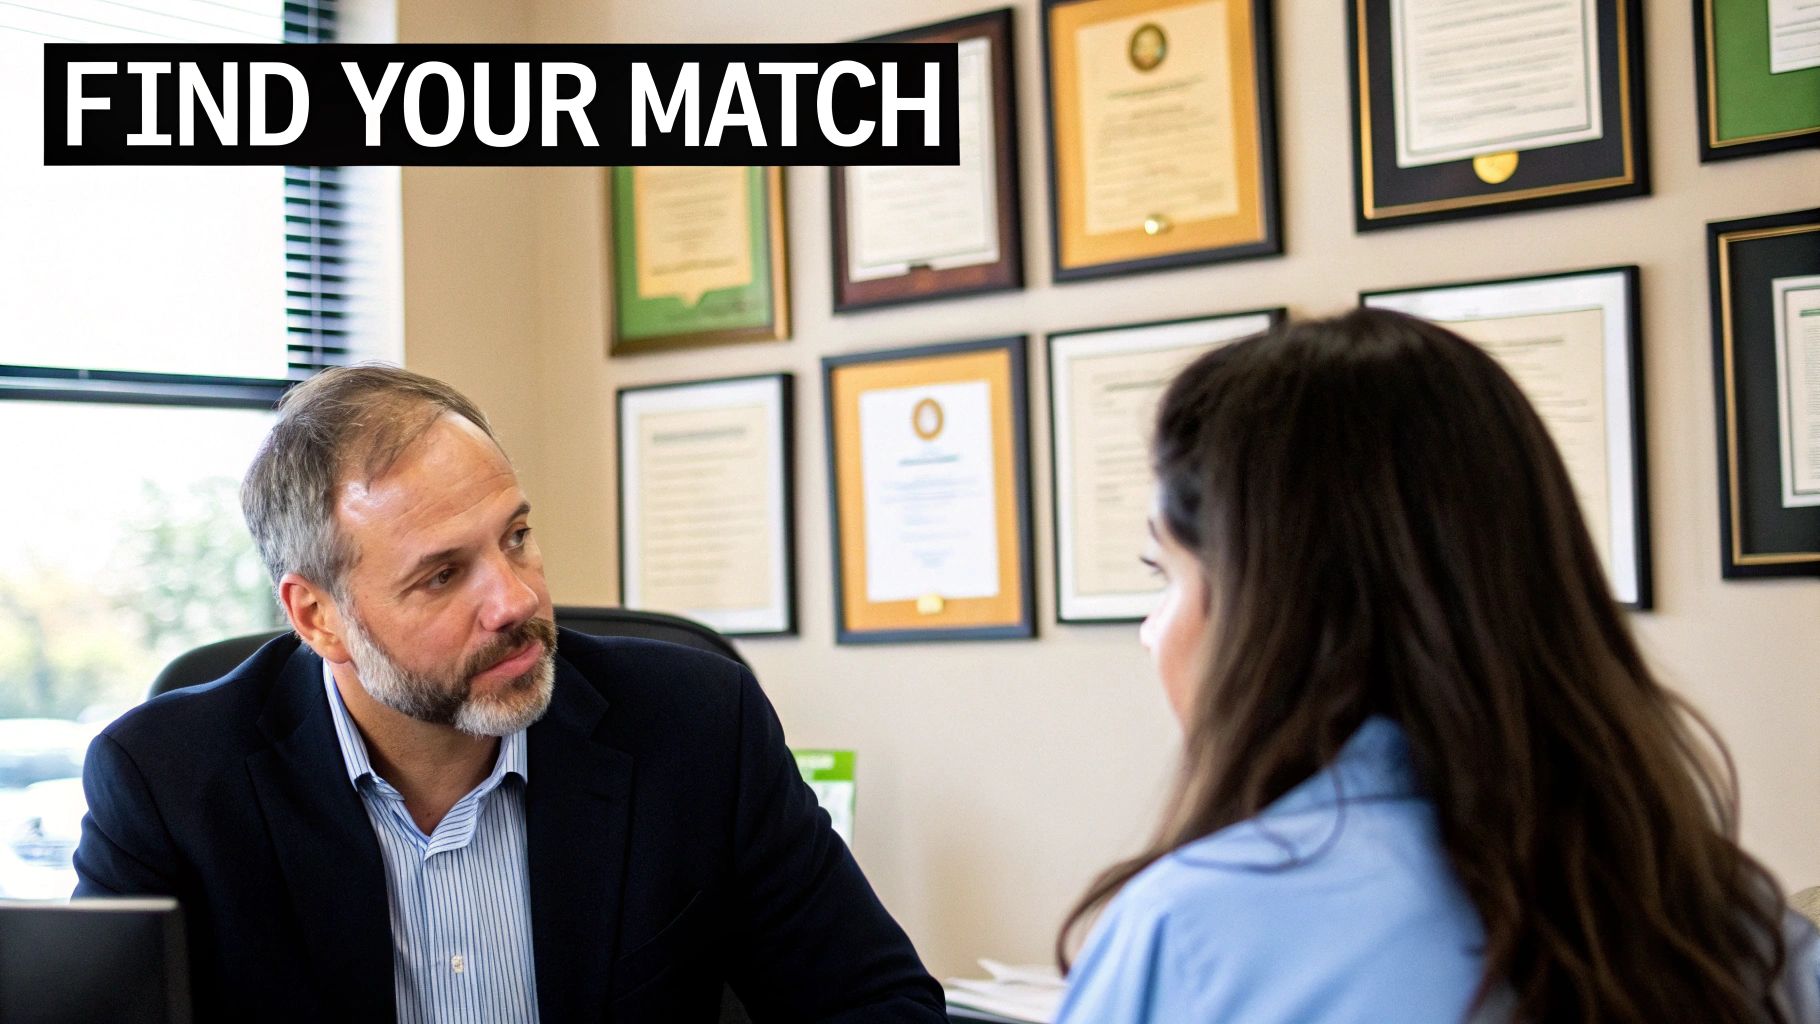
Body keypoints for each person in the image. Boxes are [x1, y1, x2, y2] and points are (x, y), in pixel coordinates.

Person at [74, 366, 946, 1023]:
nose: (516, 599)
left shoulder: (697, 726)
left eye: (517, 537)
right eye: (443, 575)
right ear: (318, 617)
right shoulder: (168, 783)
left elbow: (876, 1005)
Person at [1054, 309, 1820, 1023]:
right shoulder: (1741, 924)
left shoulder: (1195, 931)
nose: (1151, 634)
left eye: (1166, 574)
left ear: (1271, 612)